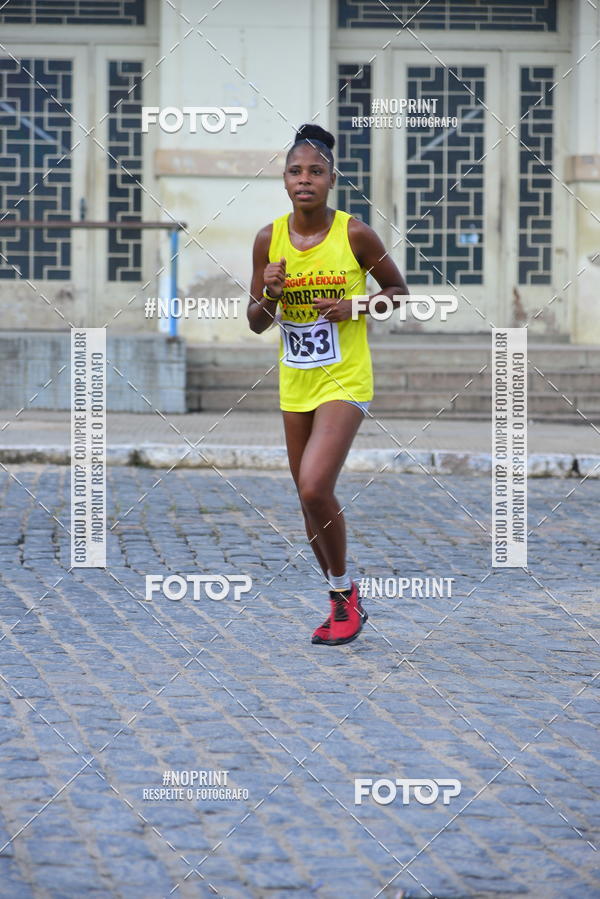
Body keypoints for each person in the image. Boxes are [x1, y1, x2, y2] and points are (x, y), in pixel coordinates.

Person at [247, 123, 408, 646]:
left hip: (345, 378)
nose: (304, 180)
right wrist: (269, 293)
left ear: (331, 179)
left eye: (315, 171)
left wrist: (355, 305)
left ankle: (345, 599)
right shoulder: (269, 239)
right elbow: (255, 321)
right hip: (295, 382)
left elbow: (398, 292)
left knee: (316, 484)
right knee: (307, 497)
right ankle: (343, 596)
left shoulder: (355, 234)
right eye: (295, 171)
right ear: (284, 180)